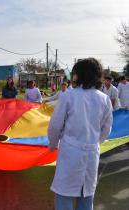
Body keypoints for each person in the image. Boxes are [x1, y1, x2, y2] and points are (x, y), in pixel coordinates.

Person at [48, 58, 113, 210]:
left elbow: (55, 126)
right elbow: (106, 129)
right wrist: (95, 143)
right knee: (86, 196)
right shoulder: (104, 99)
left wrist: (52, 144)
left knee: (64, 196)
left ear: (78, 75)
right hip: (91, 153)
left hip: (70, 152)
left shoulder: (68, 96)